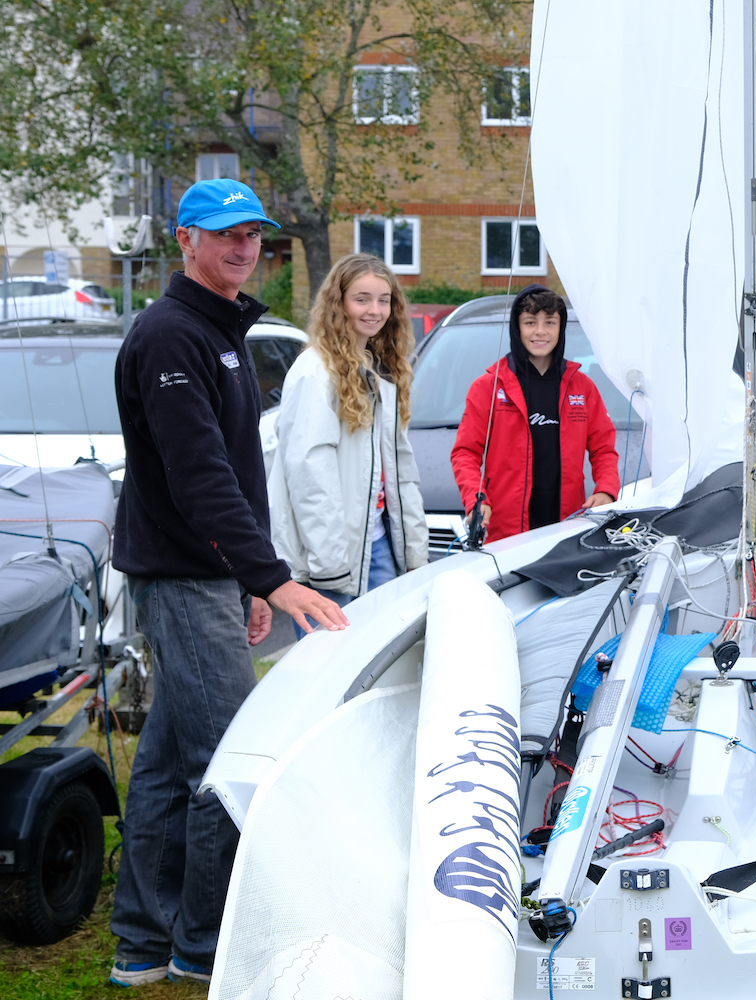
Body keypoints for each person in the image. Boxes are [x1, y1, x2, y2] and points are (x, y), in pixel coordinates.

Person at [109, 179, 348, 987]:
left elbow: (239, 475)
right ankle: (203, 944)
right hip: (181, 579)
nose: (243, 248)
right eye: (225, 235)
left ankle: (145, 942)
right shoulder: (173, 335)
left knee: (167, 765)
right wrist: (272, 578)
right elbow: (199, 478)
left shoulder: (220, 329)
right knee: (231, 763)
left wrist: (248, 581)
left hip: (209, 575)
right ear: (185, 239)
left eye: (253, 235)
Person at [268, 252, 428, 633]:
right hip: (332, 567)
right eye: (362, 299)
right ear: (338, 303)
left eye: (384, 299)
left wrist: (415, 553)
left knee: (382, 674)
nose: (375, 310)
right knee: (330, 681)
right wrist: (331, 568)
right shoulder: (315, 372)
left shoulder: (382, 369)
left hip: (379, 549)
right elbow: (310, 476)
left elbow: (401, 470)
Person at [451, 285, 620, 542]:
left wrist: (607, 490)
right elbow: (465, 453)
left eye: (550, 322)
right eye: (530, 322)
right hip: (505, 532)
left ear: (560, 328)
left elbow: (603, 449)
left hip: (568, 527)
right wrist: (476, 497)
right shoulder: (488, 386)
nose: (540, 331)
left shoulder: (581, 386)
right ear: (517, 328)